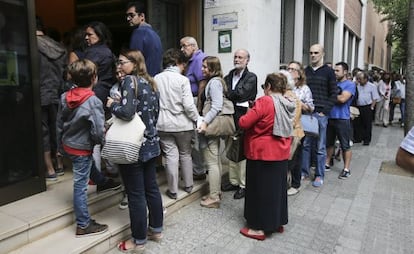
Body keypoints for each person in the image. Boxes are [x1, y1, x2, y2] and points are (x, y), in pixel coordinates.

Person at [106, 49, 163, 253]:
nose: (119, 67)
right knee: (152, 189)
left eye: (122, 62)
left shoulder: (129, 81)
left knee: (136, 194)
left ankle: (138, 240)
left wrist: (113, 105)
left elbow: (128, 112)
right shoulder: (151, 82)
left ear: (134, 63)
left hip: (133, 146)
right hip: (151, 143)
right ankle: (156, 230)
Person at [56, 59, 121, 237]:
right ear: (94, 78)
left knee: (87, 165)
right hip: (82, 147)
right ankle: (83, 224)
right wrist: (102, 144)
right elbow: (98, 130)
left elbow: (59, 124)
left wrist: (59, 146)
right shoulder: (93, 101)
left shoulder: (65, 96)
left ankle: (103, 183)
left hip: (69, 144)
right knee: (80, 185)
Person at [238, 73, 295, 240]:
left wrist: (249, 110)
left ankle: (258, 228)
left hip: (262, 153)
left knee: (259, 191)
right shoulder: (288, 102)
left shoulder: (265, 101)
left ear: (269, 86)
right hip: (281, 153)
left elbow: (244, 123)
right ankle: (276, 222)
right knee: (276, 191)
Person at [155, 48, 200, 199]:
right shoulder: (183, 80)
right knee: (185, 154)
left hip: (163, 124)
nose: (184, 68)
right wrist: (197, 118)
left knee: (171, 156)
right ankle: (188, 185)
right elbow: (188, 105)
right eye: (183, 65)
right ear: (178, 63)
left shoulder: (156, 79)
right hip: (183, 124)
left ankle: (173, 190)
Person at [222, 49, 257, 199]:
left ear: (247, 60)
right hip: (230, 116)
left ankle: (243, 185)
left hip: (244, 117)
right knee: (231, 148)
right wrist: (231, 94)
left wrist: (230, 94)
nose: (237, 59)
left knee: (242, 151)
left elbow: (241, 94)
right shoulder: (229, 75)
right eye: (235, 57)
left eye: (240, 57)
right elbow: (225, 91)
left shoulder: (251, 77)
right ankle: (233, 181)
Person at [36, 16, 67, 180]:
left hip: (38, 95)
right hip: (57, 93)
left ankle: (49, 168)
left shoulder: (30, 45)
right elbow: (65, 74)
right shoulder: (58, 47)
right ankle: (60, 164)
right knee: (57, 128)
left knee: (43, 131)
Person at [302, 44, 338, 187]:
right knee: (305, 144)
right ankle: (304, 172)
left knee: (321, 147)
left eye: (316, 52)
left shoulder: (329, 72)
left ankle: (319, 175)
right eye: (311, 52)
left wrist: (325, 111)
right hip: (306, 113)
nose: (313, 55)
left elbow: (334, 93)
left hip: (321, 114)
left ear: (322, 53)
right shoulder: (306, 71)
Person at [197, 56, 227, 208]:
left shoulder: (214, 83)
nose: (202, 69)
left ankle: (214, 197)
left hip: (210, 126)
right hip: (213, 126)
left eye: (205, 67)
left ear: (213, 68)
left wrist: (204, 122)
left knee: (211, 162)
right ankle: (217, 191)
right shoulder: (216, 81)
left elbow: (216, 106)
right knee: (215, 160)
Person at [180, 36, 207, 180]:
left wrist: (199, 106)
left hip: (196, 100)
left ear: (193, 46)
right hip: (194, 100)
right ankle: (201, 167)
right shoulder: (193, 60)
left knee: (196, 137)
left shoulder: (198, 59)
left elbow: (202, 83)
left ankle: (199, 169)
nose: (182, 49)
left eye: (184, 46)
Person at [325, 62, 356, 179]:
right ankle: (327, 163)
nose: (335, 73)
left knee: (345, 145)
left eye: (337, 71)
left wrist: (330, 96)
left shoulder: (350, 84)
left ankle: (346, 169)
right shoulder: (333, 83)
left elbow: (343, 99)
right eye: (334, 70)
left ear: (345, 72)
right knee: (329, 143)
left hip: (342, 118)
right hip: (330, 117)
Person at [287, 61, 314, 195]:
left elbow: (311, 107)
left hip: (298, 127)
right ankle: (287, 180)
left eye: (293, 69)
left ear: (299, 74)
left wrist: (299, 103)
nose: (290, 71)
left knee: (295, 156)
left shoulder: (304, 89)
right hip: (286, 126)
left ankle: (295, 184)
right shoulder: (285, 86)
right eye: (288, 68)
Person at [126, 1, 163, 76]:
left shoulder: (139, 33)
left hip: (143, 79)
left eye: (131, 15)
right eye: (127, 15)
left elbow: (134, 60)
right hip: (154, 79)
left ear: (142, 16)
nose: (128, 18)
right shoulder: (155, 34)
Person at [353, 71, 380, 145]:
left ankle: (366, 139)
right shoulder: (356, 85)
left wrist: (372, 107)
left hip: (367, 107)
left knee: (367, 124)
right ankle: (358, 138)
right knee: (357, 123)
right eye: (358, 79)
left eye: (361, 79)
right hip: (358, 106)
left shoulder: (372, 86)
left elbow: (375, 98)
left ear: (366, 79)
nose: (359, 81)